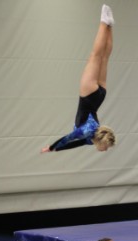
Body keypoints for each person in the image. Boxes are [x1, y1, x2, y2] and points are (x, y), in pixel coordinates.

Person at [41, 4, 116, 153]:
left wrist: (57, 150)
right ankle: (103, 21)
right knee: (95, 56)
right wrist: (51, 147)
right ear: (101, 141)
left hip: (99, 96)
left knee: (105, 58)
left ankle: (109, 26)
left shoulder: (90, 138)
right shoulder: (88, 131)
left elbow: (75, 144)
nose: (105, 150)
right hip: (89, 95)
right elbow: (68, 138)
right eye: (106, 147)